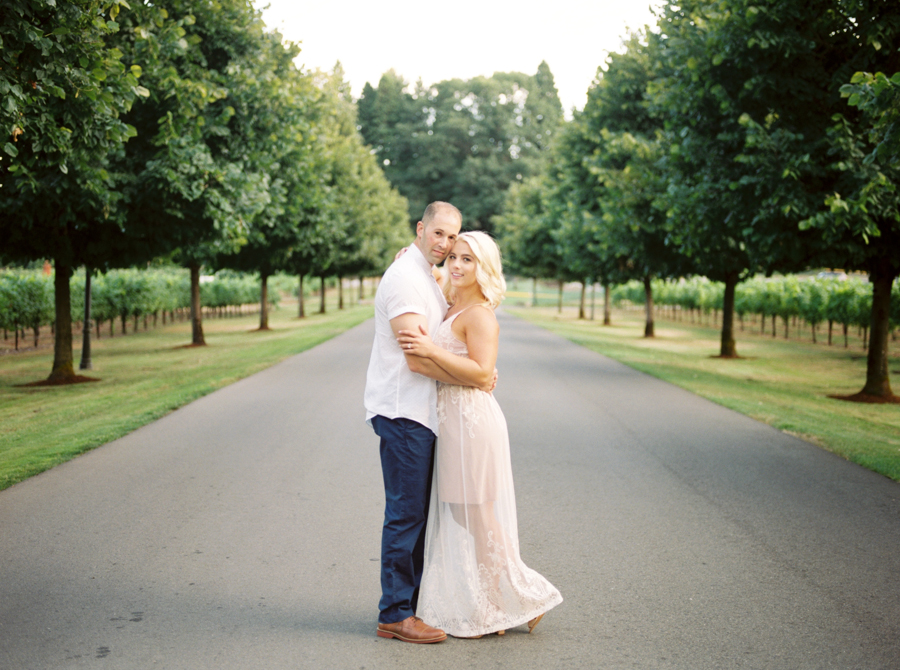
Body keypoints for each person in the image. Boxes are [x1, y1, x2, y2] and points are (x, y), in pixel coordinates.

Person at [396, 231, 563, 638]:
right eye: (453, 257)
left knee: (478, 511)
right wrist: (410, 258)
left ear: (483, 267)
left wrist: (431, 352)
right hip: (451, 420)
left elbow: (483, 373)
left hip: (472, 421)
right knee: (461, 509)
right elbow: (421, 275)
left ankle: (520, 597)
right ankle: (509, 598)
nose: (456, 265)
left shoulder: (480, 314)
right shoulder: (451, 304)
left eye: (468, 260)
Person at [364, 202, 492, 644]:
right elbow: (417, 361)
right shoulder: (404, 280)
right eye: (437, 234)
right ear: (421, 229)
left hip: (422, 414)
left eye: (452, 237)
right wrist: (477, 377)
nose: (445, 244)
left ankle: (409, 606)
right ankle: (396, 614)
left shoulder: (421, 273)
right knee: (405, 513)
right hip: (403, 412)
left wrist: (477, 371)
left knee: (415, 511)